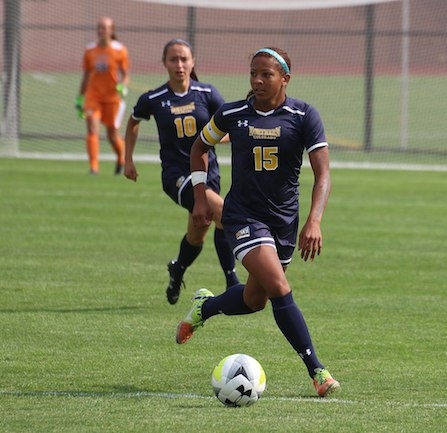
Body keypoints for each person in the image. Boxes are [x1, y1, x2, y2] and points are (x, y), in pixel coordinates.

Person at [176, 47, 340, 398]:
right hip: (243, 217)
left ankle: (206, 307)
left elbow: (323, 172)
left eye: (266, 74)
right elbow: (198, 148)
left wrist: (314, 220)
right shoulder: (233, 112)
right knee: (280, 288)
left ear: (285, 78)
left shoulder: (304, 115)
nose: (258, 80)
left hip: (283, 223)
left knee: (255, 300)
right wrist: (202, 195)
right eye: (253, 73)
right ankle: (318, 371)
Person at [123, 38, 239, 305]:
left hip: (209, 175)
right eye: (173, 59)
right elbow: (133, 122)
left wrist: (208, 140)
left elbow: (229, 126)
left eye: (184, 59)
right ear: (164, 63)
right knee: (224, 213)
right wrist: (128, 160)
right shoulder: (153, 98)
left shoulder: (207, 93)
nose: (179, 64)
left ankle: (177, 271)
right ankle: (233, 281)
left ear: (193, 62)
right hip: (176, 176)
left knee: (197, 233)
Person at [75, 16, 130, 175]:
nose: (101, 31)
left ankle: (121, 158)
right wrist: (80, 97)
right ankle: (93, 167)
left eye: (104, 28)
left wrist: (123, 86)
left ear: (111, 30)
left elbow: (126, 75)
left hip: (112, 98)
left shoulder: (120, 50)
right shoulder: (90, 50)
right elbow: (86, 75)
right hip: (93, 96)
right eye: (99, 27)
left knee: (112, 135)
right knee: (92, 128)